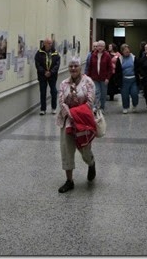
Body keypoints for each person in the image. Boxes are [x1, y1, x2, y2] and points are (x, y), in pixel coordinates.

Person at [56, 57, 97, 193]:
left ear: (80, 67)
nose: (73, 69)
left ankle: (91, 163)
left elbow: (90, 102)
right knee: (66, 150)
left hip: (83, 121)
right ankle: (69, 181)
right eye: (71, 66)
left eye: (76, 66)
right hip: (67, 120)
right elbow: (61, 101)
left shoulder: (88, 82)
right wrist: (69, 114)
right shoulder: (64, 83)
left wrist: (76, 113)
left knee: (85, 150)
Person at [34, 37, 60, 115]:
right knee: (43, 92)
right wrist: (44, 72)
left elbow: (57, 64)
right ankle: (43, 109)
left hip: (52, 76)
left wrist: (51, 72)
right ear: (44, 44)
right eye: (48, 43)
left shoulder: (55, 52)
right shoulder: (39, 52)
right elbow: (37, 64)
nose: (50, 45)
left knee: (54, 92)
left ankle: (53, 108)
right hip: (42, 76)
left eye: (51, 43)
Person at [87, 39, 113, 112]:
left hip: (104, 78)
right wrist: (88, 77)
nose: (100, 47)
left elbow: (110, 68)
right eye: (98, 46)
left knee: (103, 93)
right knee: (97, 92)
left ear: (104, 47)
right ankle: (95, 106)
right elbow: (90, 67)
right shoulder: (93, 55)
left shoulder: (107, 56)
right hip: (94, 78)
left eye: (101, 46)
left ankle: (102, 107)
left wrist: (108, 78)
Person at [115, 43, 140, 113]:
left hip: (133, 79)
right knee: (124, 95)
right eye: (125, 50)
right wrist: (117, 80)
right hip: (124, 80)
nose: (127, 52)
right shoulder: (120, 59)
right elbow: (117, 71)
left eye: (128, 50)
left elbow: (138, 68)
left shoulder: (133, 58)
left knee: (134, 93)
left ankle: (135, 105)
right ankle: (125, 107)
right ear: (122, 51)